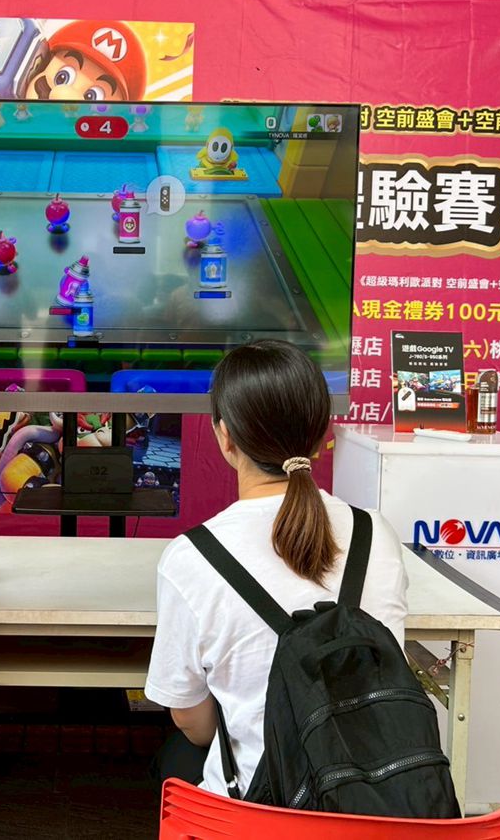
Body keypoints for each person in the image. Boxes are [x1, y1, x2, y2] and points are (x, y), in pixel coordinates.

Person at [144, 339, 408, 795]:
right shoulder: (376, 533)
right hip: (374, 797)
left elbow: (192, 720)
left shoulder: (192, 557)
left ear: (225, 437)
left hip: (261, 809)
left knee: (176, 756)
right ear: (323, 434)